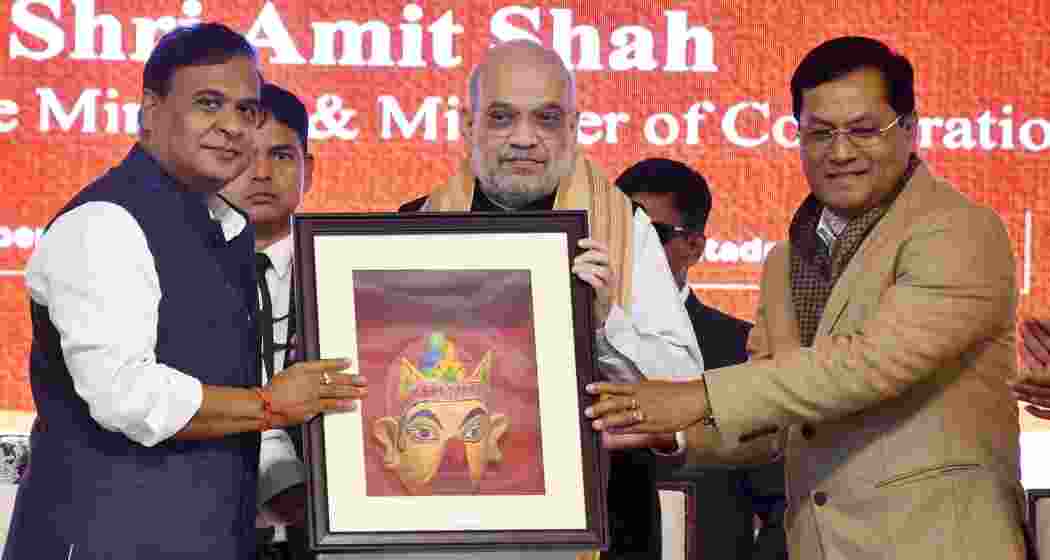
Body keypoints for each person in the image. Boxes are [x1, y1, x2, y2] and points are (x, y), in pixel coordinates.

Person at [586, 36, 1030, 558]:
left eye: (864, 130)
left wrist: (696, 396)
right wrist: (674, 435)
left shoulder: (961, 231)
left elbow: (868, 365)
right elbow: (777, 423)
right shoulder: (785, 260)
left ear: (910, 129)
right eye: (819, 133)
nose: (840, 152)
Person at [5, 24, 365, 560]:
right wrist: (270, 405)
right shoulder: (105, 223)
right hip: (102, 540)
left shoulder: (225, 226)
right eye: (207, 104)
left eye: (245, 111)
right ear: (150, 110)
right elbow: (126, 395)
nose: (230, 127)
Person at [400, 39, 704, 559]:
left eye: (545, 118)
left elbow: (683, 394)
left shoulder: (623, 227)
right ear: (466, 124)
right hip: (449, 519)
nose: (525, 138)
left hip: (602, 516)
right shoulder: (412, 228)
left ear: (574, 127)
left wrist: (607, 324)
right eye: (501, 118)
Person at [616, 158, 787, 560]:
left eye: (653, 233)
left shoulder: (743, 349)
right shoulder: (571, 339)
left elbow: (783, 505)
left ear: (694, 246)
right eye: (622, 229)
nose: (632, 246)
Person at [220, 82, 315, 560]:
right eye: (244, 154)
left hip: (318, 535)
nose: (260, 173)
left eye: (280, 156)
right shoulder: (168, 274)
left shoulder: (344, 278)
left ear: (307, 171)